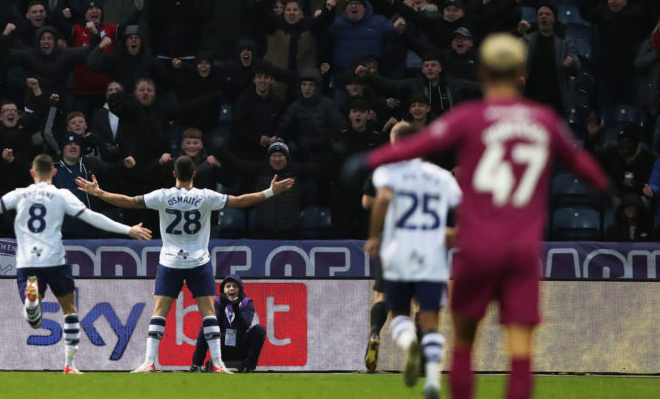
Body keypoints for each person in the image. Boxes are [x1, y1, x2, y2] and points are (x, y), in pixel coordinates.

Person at [349, 34, 609, 399]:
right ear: (521, 73)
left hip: (472, 246)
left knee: (460, 342)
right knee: (519, 349)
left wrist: (367, 161)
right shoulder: (542, 119)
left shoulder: (469, 117)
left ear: (483, 72)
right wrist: (609, 191)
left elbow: (420, 145)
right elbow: (583, 163)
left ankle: (408, 349)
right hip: (520, 250)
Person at [0, 154, 151, 374]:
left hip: (27, 262)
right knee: (70, 310)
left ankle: (31, 304)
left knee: (34, 320)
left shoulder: (20, 194)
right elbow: (92, 217)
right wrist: (128, 229)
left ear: (32, 172)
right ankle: (70, 365)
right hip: (54, 259)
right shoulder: (61, 195)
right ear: (53, 172)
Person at [76, 155, 294, 373]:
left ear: (174, 174)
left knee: (159, 312)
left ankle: (149, 362)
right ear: (195, 174)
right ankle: (218, 363)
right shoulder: (206, 196)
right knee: (209, 313)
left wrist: (99, 192)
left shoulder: (162, 196)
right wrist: (270, 191)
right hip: (198, 261)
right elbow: (239, 201)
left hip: (170, 261)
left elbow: (130, 201)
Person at [364, 121, 461, 399]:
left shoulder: (388, 172)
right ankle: (431, 380)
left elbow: (381, 200)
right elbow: (463, 209)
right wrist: (456, 233)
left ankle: (409, 346)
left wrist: (373, 236)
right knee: (430, 320)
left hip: (398, 251)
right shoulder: (441, 176)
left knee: (398, 314)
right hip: (431, 254)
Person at [190, 275, 265, 373]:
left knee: (259, 329)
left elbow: (245, 325)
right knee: (206, 328)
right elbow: (216, 324)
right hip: (221, 346)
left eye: (235, 286)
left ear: (240, 289)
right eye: (228, 286)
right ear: (223, 290)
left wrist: (236, 309)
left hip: (240, 345)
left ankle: (250, 367)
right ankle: (197, 365)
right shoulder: (217, 302)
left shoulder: (247, 302)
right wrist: (222, 307)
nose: (231, 289)